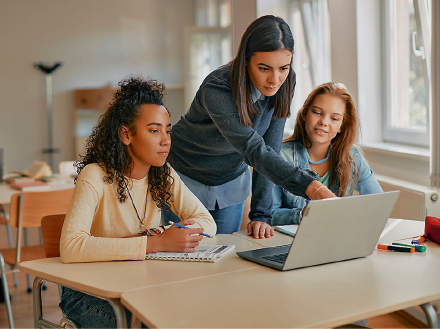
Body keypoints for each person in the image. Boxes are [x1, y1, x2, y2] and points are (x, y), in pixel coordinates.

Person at [59, 77, 216, 328]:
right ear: (125, 134)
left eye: (167, 130)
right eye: (154, 131)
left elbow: (207, 222)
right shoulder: (95, 176)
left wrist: (161, 235)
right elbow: (71, 247)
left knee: (198, 311)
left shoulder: (163, 174)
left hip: (140, 285)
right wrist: (156, 243)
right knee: (155, 323)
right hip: (89, 293)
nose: (165, 140)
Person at [166, 15, 335, 238]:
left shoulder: (286, 81)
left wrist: (260, 215)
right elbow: (253, 148)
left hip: (230, 180)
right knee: (181, 260)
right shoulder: (217, 88)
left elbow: (270, 147)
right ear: (246, 60)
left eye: (283, 68)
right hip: (184, 175)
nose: (275, 79)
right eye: (264, 68)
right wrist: (312, 187)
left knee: (222, 260)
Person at [271, 82, 383, 226]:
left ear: (341, 126)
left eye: (334, 118)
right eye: (317, 112)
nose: (323, 122)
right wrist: (304, 214)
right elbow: (268, 215)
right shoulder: (279, 156)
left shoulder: (352, 157)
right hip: (291, 241)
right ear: (305, 114)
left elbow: (378, 202)